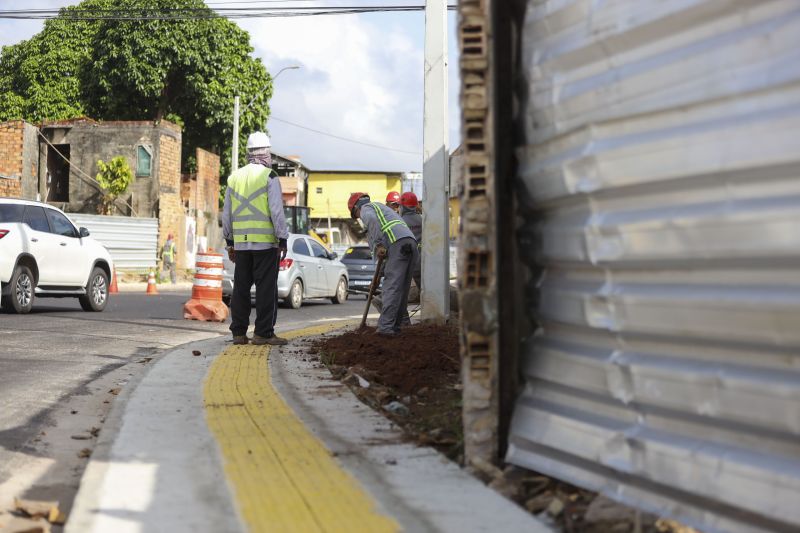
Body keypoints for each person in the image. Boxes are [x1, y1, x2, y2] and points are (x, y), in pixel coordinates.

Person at [222, 132, 289, 346]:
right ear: (265, 152)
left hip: (241, 244)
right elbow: (276, 212)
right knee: (265, 289)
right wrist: (282, 238)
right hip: (265, 244)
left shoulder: (234, 177)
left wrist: (230, 242)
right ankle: (263, 333)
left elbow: (227, 213)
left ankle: (239, 334)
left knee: (241, 288)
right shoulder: (269, 176)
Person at [348, 192, 418, 336]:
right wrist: (377, 278)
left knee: (391, 287)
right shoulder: (383, 212)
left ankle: (385, 328)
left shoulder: (367, 208)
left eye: (356, 216)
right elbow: (384, 260)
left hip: (397, 243)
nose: (359, 219)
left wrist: (379, 244)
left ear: (356, 208)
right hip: (410, 243)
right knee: (401, 289)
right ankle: (395, 327)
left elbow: (373, 224)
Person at [399, 192, 422, 292]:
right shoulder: (423, 219)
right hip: (423, 263)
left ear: (403, 207)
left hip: (407, 265)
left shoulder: (399, 222)